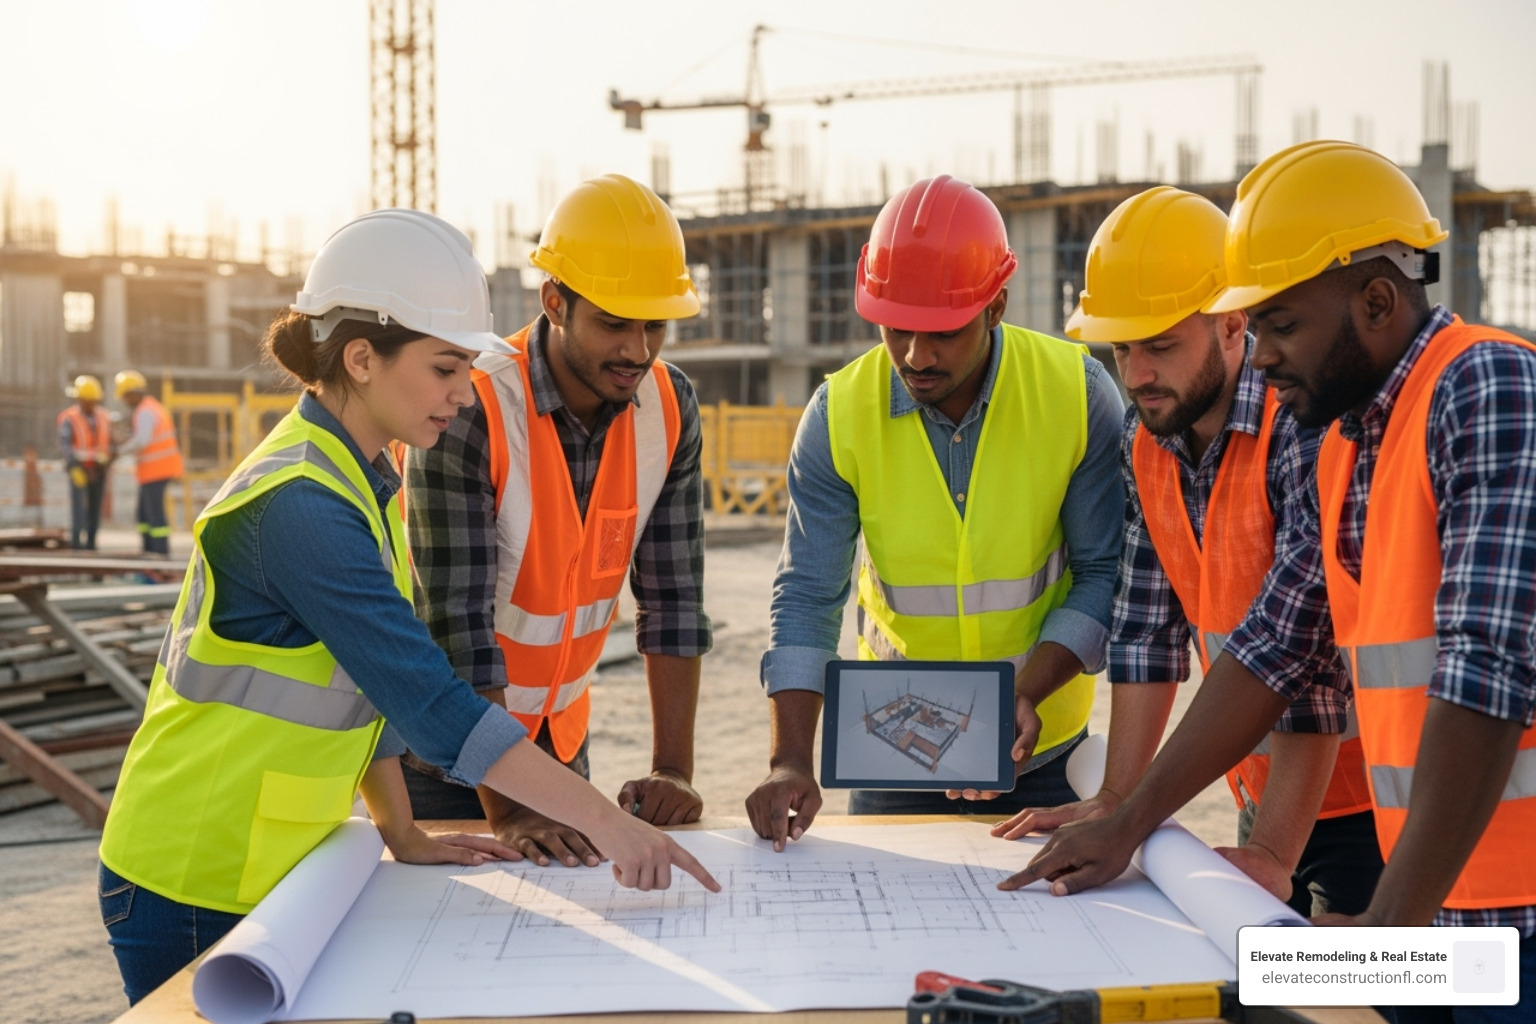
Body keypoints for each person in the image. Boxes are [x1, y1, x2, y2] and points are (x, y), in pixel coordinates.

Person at [96, 208, 718, 1006]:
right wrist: (614, 824)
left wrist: (401, 832)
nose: (465, 396)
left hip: (278, 865)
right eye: (447, 369)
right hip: (192, 875)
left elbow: (369, 690)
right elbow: (430, 703)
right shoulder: (300, 508)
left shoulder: (361, 478)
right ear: (362, 358)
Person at [1004, 141, 1534, 1023]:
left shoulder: (1488, 384)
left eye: (1281, 324)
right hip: (1438, 908)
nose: (1264, 353)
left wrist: (1390, 933)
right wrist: (1127, 820)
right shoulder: (1344, 440)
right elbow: (1275, 648)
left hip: (1507, 920)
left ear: (1375, 301)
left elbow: (1489, 670)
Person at [992, 186, 1381, 918]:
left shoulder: (1301, 432)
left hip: (1376, 803)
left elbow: (1303, 658)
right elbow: (1145, 634)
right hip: (1264, 787)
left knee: (1371, 991)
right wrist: (1113, 796)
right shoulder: (1147, 446)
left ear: (1234, 325)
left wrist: (1271, 851)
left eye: (1162, 345)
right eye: (1122, 348)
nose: (1137, 374)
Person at [746, 175, 1125, 849]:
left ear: (997, 306)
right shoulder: (837, 416)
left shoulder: (1079, 394)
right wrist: (791, 759)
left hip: (1044, 755)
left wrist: (1024, 695)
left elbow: (1104, 572)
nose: (917, 357)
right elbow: (807, 594)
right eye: (897, 330)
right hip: (890, 752)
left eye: (943, 332)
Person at [402, 173, 711, 869]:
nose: (637, 350)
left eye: (654, 325)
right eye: (612, 323)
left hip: (559, 744)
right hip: (446, 761)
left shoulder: (670, 406)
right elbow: (458, 627)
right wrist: (510, 809)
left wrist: (673, 770)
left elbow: (675, 603)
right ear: (554, 302)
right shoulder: (471, 406)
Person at [112, 368, 184, 557]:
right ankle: (149, 552)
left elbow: (141, 440)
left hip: (156, 470)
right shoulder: (151, 407)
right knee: (144, 515)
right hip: (155, 471)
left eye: (125, 397)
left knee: (153, 515)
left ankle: (159, 555)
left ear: (133, 393)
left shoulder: (145, 412)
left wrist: (117, 451)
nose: (125, 402)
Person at [58, 374, 113, 550]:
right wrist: (72, 466)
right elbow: (65, 445)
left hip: (98, 470)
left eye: (92, 401)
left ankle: (91, 546)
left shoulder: (104, 417)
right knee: (78, 512)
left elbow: (109, 443)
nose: (90, 405)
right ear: (79, 399)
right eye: (86, 401)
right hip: (79, 469)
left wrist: (108, 460)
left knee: (94, 512)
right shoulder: (69, 417)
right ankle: (76, 546)